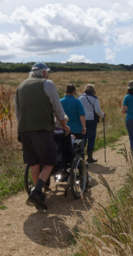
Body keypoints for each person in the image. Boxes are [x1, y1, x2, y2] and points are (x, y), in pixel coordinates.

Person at [15, 62, 70, 210]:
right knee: (50, 162)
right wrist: (64, 127)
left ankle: (37, 194)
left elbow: (17, 112)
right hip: (42, 130)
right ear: (44, 73)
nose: (48, 75)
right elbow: (58, 110)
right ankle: (37, 191)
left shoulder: (20, 87)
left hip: (24, 130)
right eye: (48, 73)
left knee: (34, 163)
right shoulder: (48, 84)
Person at [79, 84, 105, 163]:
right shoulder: (94, 98)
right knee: (91, 138)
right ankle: (90, 157)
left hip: (82, 119)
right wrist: (103, 115)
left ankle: (81, 157)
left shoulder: (79, 97)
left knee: (83, 137)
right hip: (92, 119)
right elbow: (97, 110)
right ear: (93, 90)